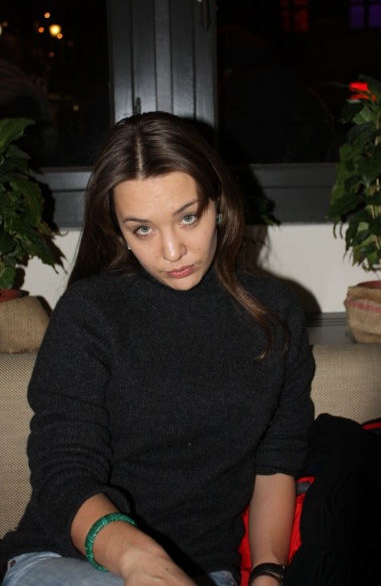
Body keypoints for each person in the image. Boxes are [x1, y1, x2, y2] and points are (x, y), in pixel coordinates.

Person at [0, 111, 314, 586]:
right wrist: (135, 559)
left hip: (203, 569)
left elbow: (275, 464)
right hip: (66, 558)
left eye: (188, 217)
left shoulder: (274, 315)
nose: (172, 251)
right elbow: (63, 473)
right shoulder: (90, 313)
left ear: (218, 204)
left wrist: (268, 573)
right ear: (118, 230)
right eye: (142, 229)